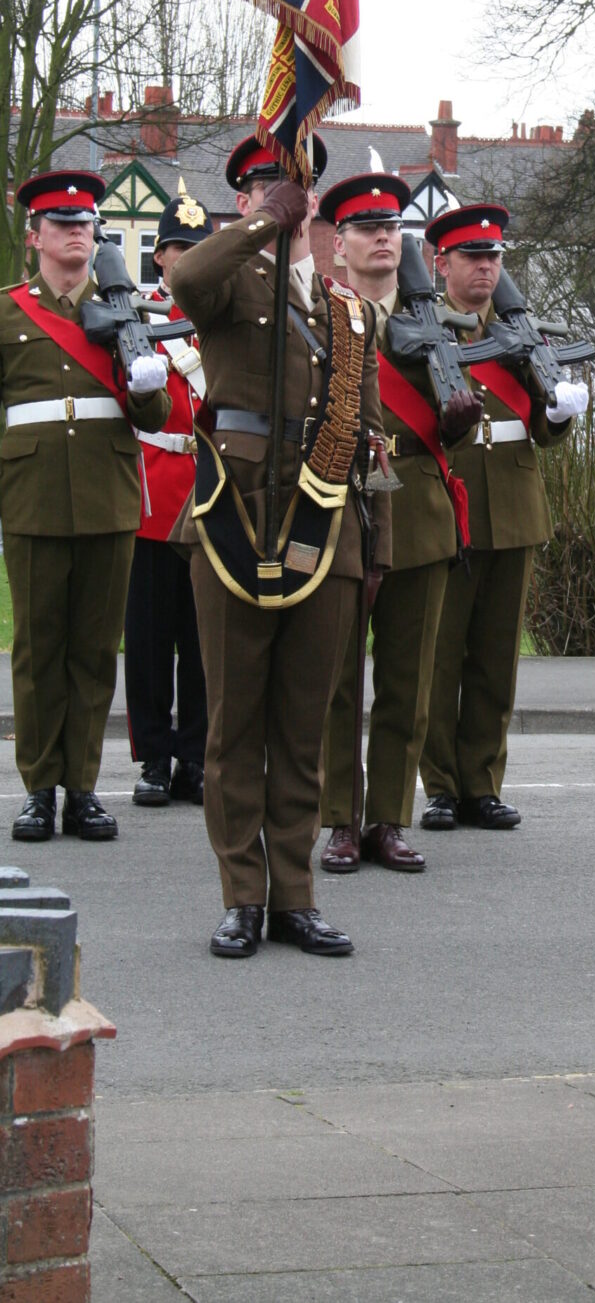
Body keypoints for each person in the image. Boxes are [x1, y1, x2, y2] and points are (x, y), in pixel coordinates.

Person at [170, 135, 390, 959]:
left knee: (302, 725)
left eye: (294, 183)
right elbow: (185, 279)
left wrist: (377, 550)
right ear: (244, 198)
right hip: (234, 518)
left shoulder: (350, 312)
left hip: (326, 529)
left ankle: (295, 892)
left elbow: (370, 441)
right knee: (233, 724)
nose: (283, 193)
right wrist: (265, 224)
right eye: (266, 183)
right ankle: (243, 894)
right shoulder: (229, 279)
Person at [316, 171, 480, 875]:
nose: (383, 238)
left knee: (408, 681)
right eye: (367, 228)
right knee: (336, 678)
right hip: (338, 500)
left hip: (415, 503)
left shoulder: (437, 324)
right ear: (340, 244)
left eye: (391, 227)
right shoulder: (319, 316)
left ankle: (387, 818)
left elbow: (456, 425)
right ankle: (339, 819)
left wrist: (459, 424)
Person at [4, 170, 170, 842]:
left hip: (107, 495)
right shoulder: (9, 312)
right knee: (38, 650)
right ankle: (39, 789)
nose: (77, 232)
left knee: (96, 651)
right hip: (33, 495)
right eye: (62, 223)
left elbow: (153, 414)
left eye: (85, 223)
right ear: (34, 237)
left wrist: (147, 384)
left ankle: (83, 787)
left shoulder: (124, 311)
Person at [419, 203, 588, 831]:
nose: (485, 268)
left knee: (495, 659)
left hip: (514, 508)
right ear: (443, 264)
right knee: (441, 657)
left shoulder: (523, 332)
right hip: (452, 503)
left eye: (493, 257)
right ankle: (441, 785)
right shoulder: (424, 329)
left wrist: (560, 414)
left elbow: (542, 428)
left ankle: (483, 783)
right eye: (472, 257)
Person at [125, 189, 214, 808]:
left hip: (210, 490)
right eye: (179, 248)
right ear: (159, 257)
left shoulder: (225, 316)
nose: (187, 259)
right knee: (151, 640)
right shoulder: (137, 317)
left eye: (197, 249)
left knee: (205, 640)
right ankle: (155, 758)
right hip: (154, 491)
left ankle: (197, 757)